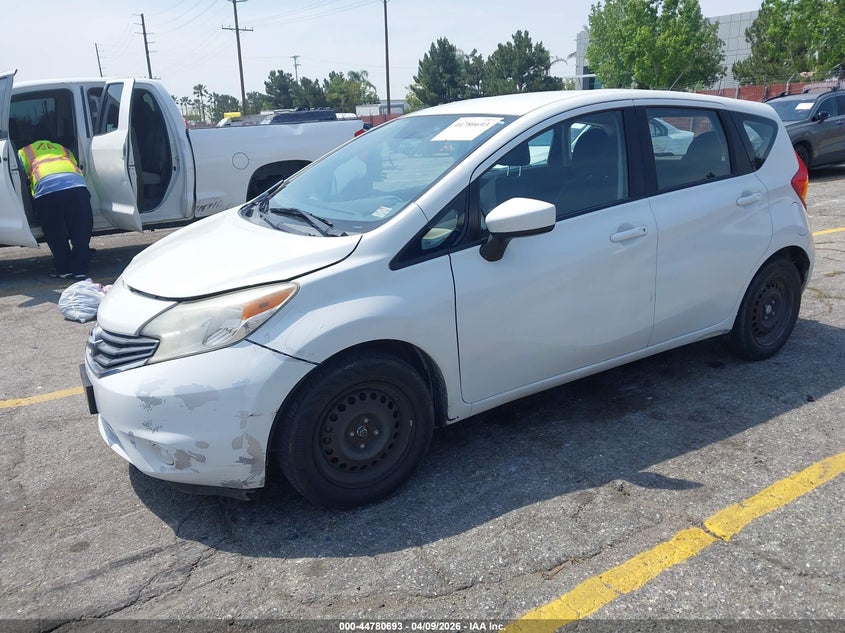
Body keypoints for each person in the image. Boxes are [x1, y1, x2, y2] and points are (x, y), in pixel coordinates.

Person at [18, 139, 94, 280]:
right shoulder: (63, 148)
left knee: (55, 232)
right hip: (76, 186)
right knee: (80, 229)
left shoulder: (23, 151)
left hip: (47, 190)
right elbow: (75, 165)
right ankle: (80, 270)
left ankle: (63, 269)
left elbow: (19, 177)